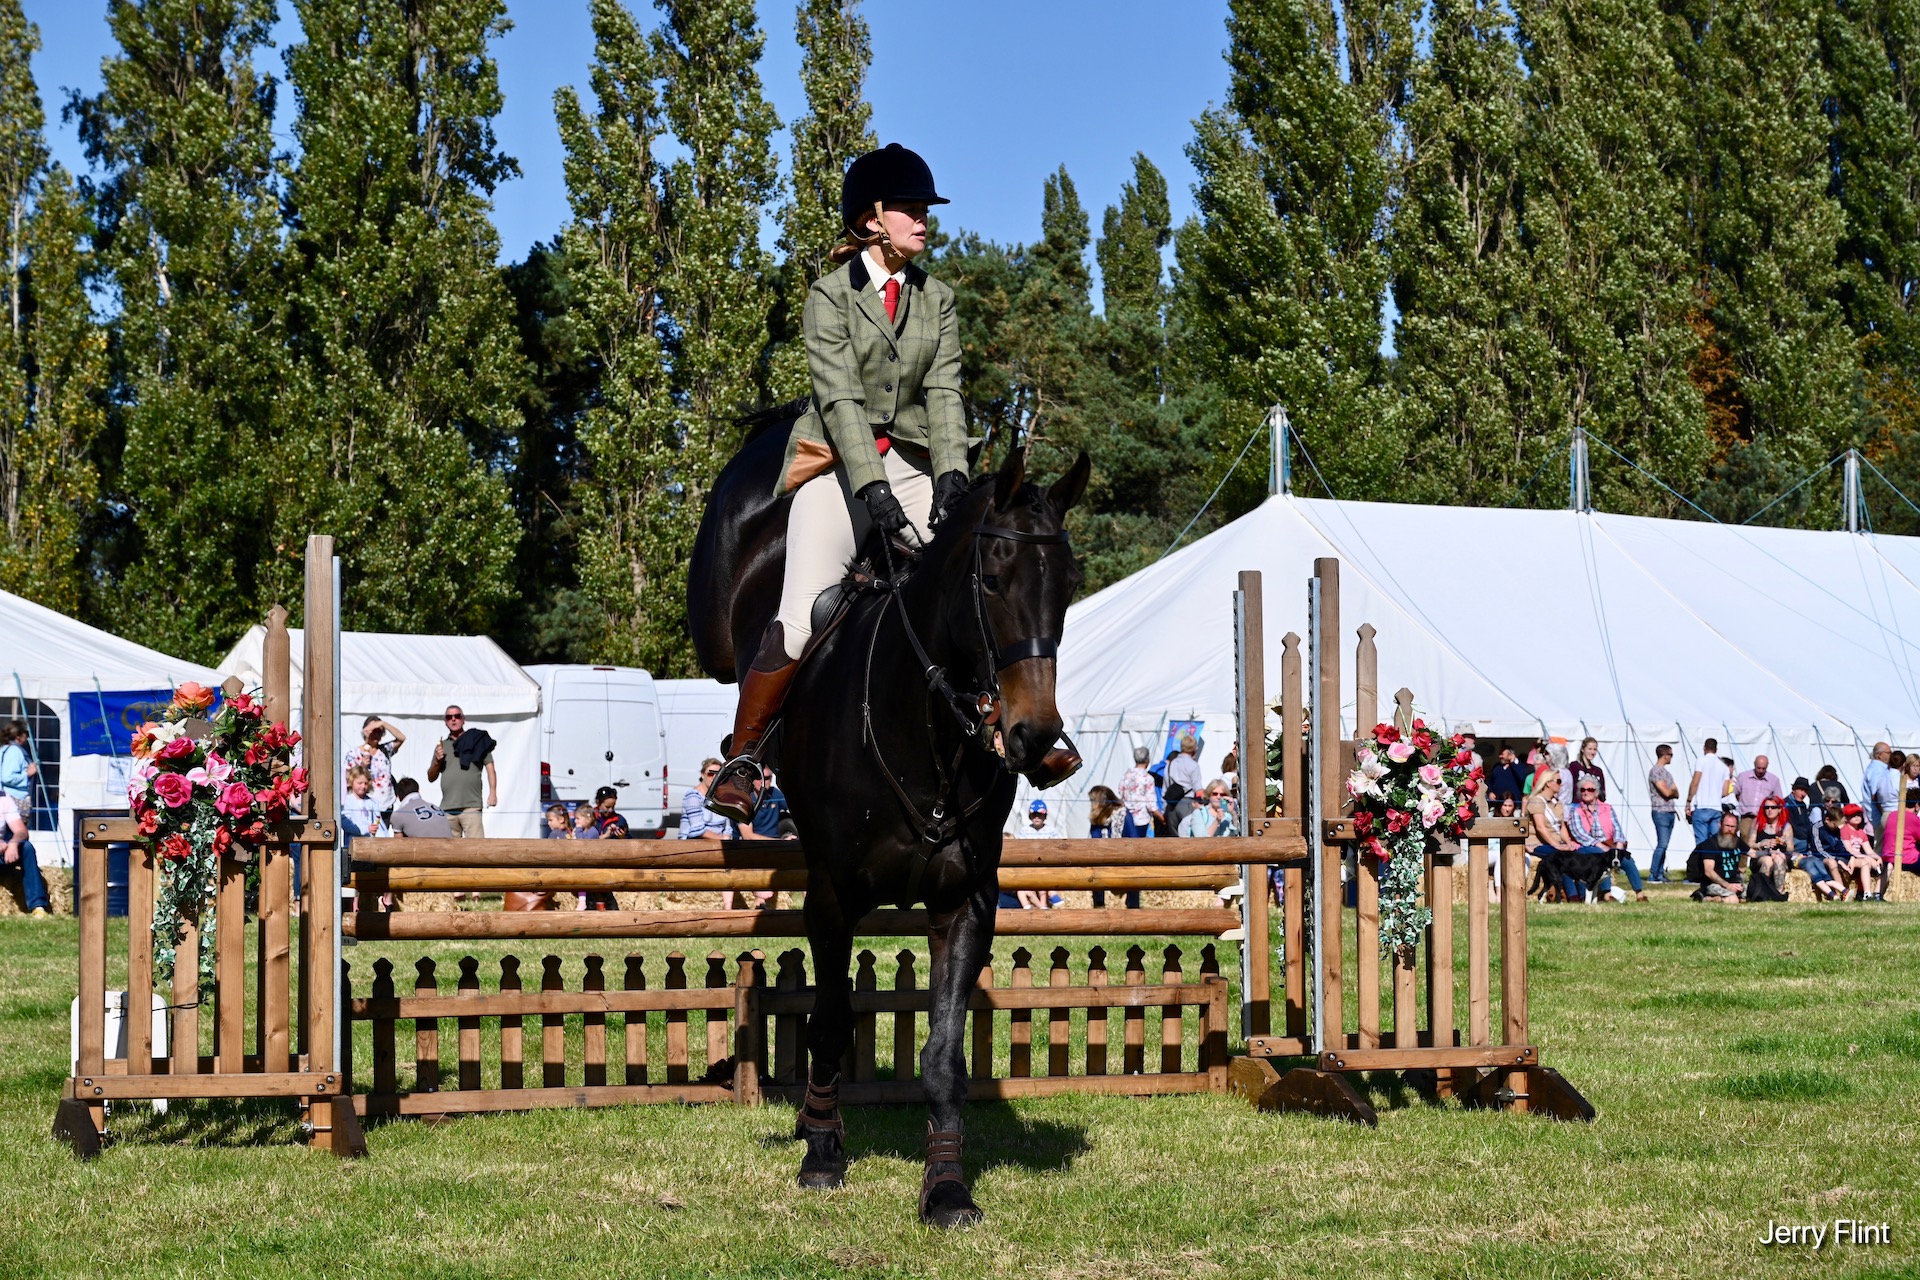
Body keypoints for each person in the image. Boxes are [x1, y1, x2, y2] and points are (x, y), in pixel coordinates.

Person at [708, 144, 1049, 821]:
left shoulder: (938, 299)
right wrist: (872, 490)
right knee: (805, 608)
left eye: (925, 211)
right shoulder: (828, 299)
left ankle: (1022, 726)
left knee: (979, 578)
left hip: (917, 468)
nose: (924, 220)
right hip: (838, 467)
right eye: (912, 210)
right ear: (871, 221)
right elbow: (839, 403)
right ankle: (743, 760)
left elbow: (947, 394)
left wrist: (952, 477)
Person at [1566, 778, 1646, 900]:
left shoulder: (1607, 808)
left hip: (1608, 846)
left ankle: (1639, 894)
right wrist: (1599, 845)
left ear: (1597, 792)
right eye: (1583, 790)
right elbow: (1579, 834)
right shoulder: (1575, 810)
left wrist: (1619, 843)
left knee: (1628, 860)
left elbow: (1617, 828)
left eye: (1590, 789)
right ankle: (1607, 894)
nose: (1586, 792)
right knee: (1602, 858)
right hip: (1587, 847)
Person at [427, 705, 496, 838]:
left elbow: (490, 768)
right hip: (448, 808)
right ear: (445, 722)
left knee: (475, 850)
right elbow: (431, 777)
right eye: (449, 717)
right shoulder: (442, 746)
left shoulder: (477, 740)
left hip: (471, 806)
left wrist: (493, 793)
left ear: (463, 719)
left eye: (457, 716)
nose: (453, 720)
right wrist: (437, 761)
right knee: (450, 854)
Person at [1524, 771, 1582, 901]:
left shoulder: (1558, 803)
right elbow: (1540, 828)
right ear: (1548, 783)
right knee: (1562, 858)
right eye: (1558, 781)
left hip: (1555, 843)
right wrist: (1557, 845)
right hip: (1537, 844)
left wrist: (1568, 842)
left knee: (1578, 855)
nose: (1561, 785)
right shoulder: (1536, 801)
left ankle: (1583, 894)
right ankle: (1572, 896)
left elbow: (1561, 827)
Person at [1085, 784, 1137, 910]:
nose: (1091, 804)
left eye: (1093, 801)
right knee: (1094, 870)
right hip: (1103, 860)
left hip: (1124, 859)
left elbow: (1133, 839)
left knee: (1135, 873)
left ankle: (1133, 908)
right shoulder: (1096, 819)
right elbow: (1095, 839)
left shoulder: (1123, 815)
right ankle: (1099, 906)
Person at [344, 715, 406, 819]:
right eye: (374, 731)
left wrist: (383, 724)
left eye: (380, 731)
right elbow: (348, 778)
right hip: (363, 804)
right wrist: (362, 766)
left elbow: (401, 738)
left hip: (385, 804)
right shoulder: (354, 753)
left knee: (382, 834)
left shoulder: (384, 750)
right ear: (365, 731)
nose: (377, 734)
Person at [1003, 800, 1062, 909]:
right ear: (1030, 816)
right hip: (1030, 863)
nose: (1037, 817)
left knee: (1043, 873)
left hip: (1046, 863)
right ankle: (1049, 896)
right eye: (1034, 815)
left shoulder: (1051, 830)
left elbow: (1057, 847)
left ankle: (1045, 901)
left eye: (1040, 815)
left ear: (1045, 816)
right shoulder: (1025, 830)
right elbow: (1021, 848)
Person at [0, 790, 49, 917]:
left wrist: (13, 843)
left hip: (2, 853)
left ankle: (37, 906)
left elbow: (22, 830)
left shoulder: (4, 798)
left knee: (26, 847)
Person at [1687, 811, 1746, 902]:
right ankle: (1705, 898)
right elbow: (1708, 871)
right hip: (1714, 884)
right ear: (1720, 824)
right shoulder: (1710, 844)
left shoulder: (1737, 841)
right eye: (1727, 826)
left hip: (1734, 883)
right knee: (1733, 900)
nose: (1729, 829)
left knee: (1754, 896)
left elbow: (1753, 853)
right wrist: (1728, 886)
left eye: (1732, 827)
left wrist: (1766, 847)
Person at [1685, 737, 1732, 848]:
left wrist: (1689, 800)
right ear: (1716, 749)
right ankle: (1713, 864)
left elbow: (1695, 782)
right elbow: (1725, 792)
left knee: (1701, 841)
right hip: (1716, 808)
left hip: (1702, 806)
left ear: (1704, 748)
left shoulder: (1701, 760)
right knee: (1715, 841)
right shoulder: (1724, 766)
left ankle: (1702, 864)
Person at [1747, 797, 1796, 899]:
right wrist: (1761, 844)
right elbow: (1750, 844)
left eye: (1773, 807)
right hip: (1761, 856)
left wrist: (1784, 844)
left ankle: (1779, 894)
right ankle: (1760, 892)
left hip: (1780, 857)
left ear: (1779, 809)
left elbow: (1790, 850)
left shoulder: (1786, 826)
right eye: (1767, 807)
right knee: (1768, 861)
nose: (1769, 810)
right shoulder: (1757, 823)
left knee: (1778, 858)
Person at [1646, 744, 1680, 883]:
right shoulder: (1655, 772)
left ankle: (1660, 873)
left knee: (1664, 844)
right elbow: (1667, 791)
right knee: (1662, 844)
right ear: (1665, 755)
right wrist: (1670, 791)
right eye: (1671, 754)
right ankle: (1654, 873)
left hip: (1670, 811)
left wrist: (1671, 791)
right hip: (1660, 811)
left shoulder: (1667, 773)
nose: (1671, 757)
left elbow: (1676, 792)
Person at [1732, 755, 1785, 842]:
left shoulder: (1774, 780)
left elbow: (1778, 800)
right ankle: (1744, 856)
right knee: (1745, 840)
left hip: (1764, 817)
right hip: (1747, 816)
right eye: (1758, 768)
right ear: (1754, 764)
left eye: (1763, 768)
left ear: (1767, 766)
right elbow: (1735, 793)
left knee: (1761, 840)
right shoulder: (1743, 777)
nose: (1760, 771)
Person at [1838, 804, 1884, 900]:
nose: (1857, 817)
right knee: (1865, 861)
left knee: (1868, 862)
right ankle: (1866, 893)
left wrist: (1877, 857)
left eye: (1859, 815)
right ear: (1846, 818)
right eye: (1853, 815)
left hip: (1858, 857)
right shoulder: (1844, 830)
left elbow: (1868, 850)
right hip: (1848, 857)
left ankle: (1866, 892)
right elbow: (1849, 850)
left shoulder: (1861, 832)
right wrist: (1866, 857)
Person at [1117, 746, 1161, 838]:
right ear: (1147, 759)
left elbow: (1120, 795)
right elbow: (1151, 805)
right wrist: (1162, 818)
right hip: (1141, 820)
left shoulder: (1125, 775)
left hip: (1125, 818)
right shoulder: (1148, 778)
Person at [1165, 735, 1205, 831]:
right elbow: (1198, 789)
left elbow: (1165, 787)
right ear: (1194, 749)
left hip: (1171, 805)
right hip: (1187, 804)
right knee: (1187, 836)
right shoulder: (1193, 765)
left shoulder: (1171, 764)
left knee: (1174, 840)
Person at [0, 720, 36, 810]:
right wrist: (28, 774)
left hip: (7, 798)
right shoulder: (14, 751)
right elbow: (7, 777)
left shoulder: (4, 749)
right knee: (17, 824)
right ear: (18, 736)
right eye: (26, 733)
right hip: (14, 800)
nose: (27, 737)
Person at [341, 766, 383, 842]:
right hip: (352, 844)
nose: (363, 786)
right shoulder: (347, 801)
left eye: (366, 783)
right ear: (351, 782)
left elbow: (378, 821)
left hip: (369, 844)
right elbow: (345, 824)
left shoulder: (372, 802)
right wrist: (366, 829)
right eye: (360, 783)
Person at [1862, 741, 1894, 830]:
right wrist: (1884, 814)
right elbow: (1875, 794)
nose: (1891, 755)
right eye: (1888, 753)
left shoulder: (1875, 768)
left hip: (1879, 815)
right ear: (1879, 755)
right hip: (1880, 816)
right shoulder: (1878, 769)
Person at [1566, 737, 1606, 801]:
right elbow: (1570, 788)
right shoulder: (1574, 767)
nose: (1592, 752)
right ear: (1583, 749)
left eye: (1594, 749)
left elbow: (1602, 793)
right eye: (1589, 749)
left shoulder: (1598, 771)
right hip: (1578, 805)